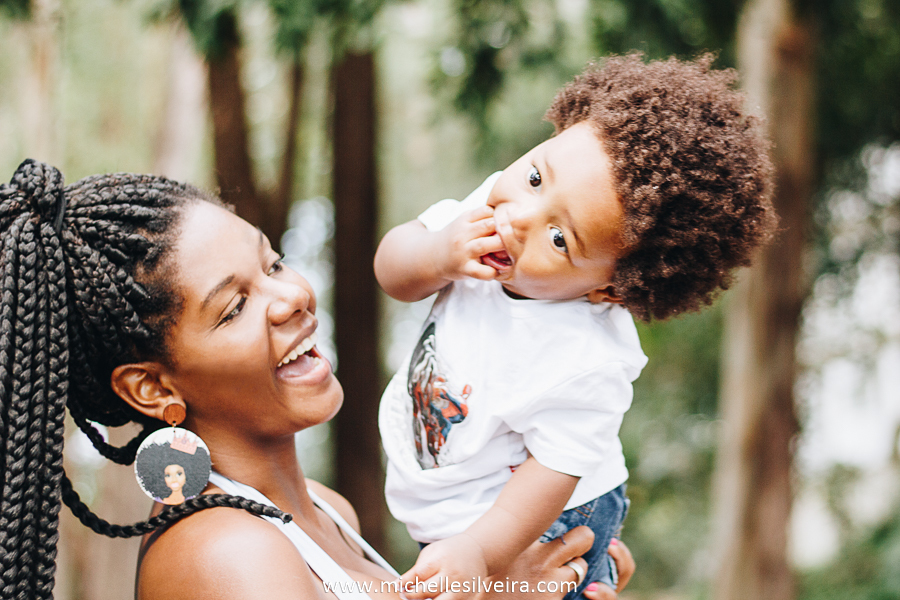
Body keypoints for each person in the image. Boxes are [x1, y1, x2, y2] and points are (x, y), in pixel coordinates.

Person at [0, 159, 634, 600]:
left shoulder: (331, 512)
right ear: (152, 388)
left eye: (272, 261)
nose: (292, 296)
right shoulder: (221, 552)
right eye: (234, 307)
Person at [374, 54, 776, 600]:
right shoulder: (485, 211)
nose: (519, 218)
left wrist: (482, 555)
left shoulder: (585, 359)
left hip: (536, 519)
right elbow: (392, 272)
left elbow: (551, 473)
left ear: (609, 289)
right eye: (537, 176)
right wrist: (437, 253)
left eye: (560, 238)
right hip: (463, 508)